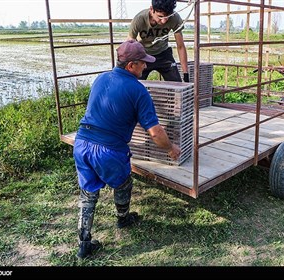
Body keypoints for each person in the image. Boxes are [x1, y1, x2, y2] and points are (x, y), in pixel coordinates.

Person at [73, 40, 181, 259]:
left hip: (82, 143)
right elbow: (155, 132)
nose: (146, 67)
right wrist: (170, 148)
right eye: (143, 64)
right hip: (108, 150)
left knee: (88, 194)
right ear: (131, 65)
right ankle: (123, 218)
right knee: (123, 183)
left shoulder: (101, 78)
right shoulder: (137, 90)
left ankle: (84, 243)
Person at [128, 0, 189, 82]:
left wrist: (186, 75)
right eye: (160, 16)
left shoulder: (175, 18)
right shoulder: (139, 19)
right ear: (151, 9)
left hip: (163, 54)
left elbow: (181, 46)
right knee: (134, 84)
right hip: (144, 55)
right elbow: (129, 45)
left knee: (177, 84)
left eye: (167, 17)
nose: (164, 21)